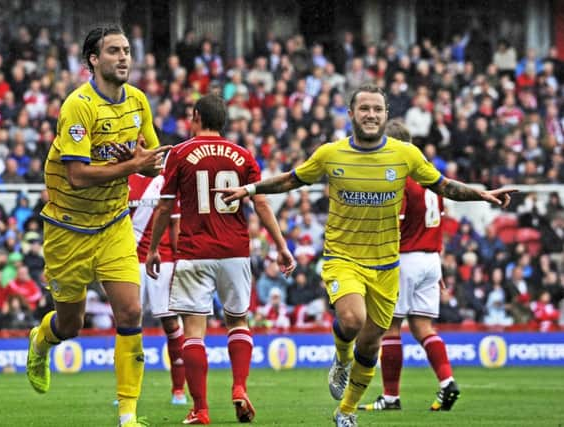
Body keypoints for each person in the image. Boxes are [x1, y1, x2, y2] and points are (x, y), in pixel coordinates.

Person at [215, 83, 516, 427]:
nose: (371, 114)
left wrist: (484, 195)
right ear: (351, 115)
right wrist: (250, 189)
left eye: (377, 109)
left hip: (387, 265)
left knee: (372, 345)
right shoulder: (331, 153)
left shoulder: (405, 155)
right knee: (354, 320)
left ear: (386, 115)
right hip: (343, 258)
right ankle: (341, 358)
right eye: (364, 109)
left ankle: (346, 411)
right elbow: (291, 180)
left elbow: (444, 186)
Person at [26, 25, 168, 427]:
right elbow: (77, 176)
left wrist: (146, 160)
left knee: (130, 311)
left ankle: (128, 416)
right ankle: (41, 340)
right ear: (93, 59)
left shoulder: (138, 101)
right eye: (113, 51)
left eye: (126, 50)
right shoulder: (78, 106)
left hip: (112, 223)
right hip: (68, 228)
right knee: (71, 325)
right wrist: (131, 165)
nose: (124, 58)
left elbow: (150, 157)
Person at [145, 94, 295, 425]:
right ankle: (239, 388)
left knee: (194, 332)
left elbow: (166, 206)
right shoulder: (242, 156)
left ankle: (200, 410)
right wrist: (282, 246)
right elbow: (263, 204)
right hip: (235, 252)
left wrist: (155, 248)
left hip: (195, 253)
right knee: (237, 322)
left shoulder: (180, 153)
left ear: (196, 116)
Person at [359, 120, 459, 413]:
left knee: (390, 328)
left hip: (405, 258)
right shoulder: (431, 176)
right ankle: (447, 382)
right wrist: (437, 266)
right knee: (422, 326)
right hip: (431, 259)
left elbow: (393, 224)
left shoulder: (401, 176)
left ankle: (390, 398)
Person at [128, 171, 187, 405]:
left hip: (163, 262)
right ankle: (127, 392)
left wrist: (180, 259)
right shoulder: (124, 177)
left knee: (171, 323)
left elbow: (175, 225)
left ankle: (178, 390)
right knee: (128, 326)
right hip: (129, 261)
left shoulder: (166, 180)